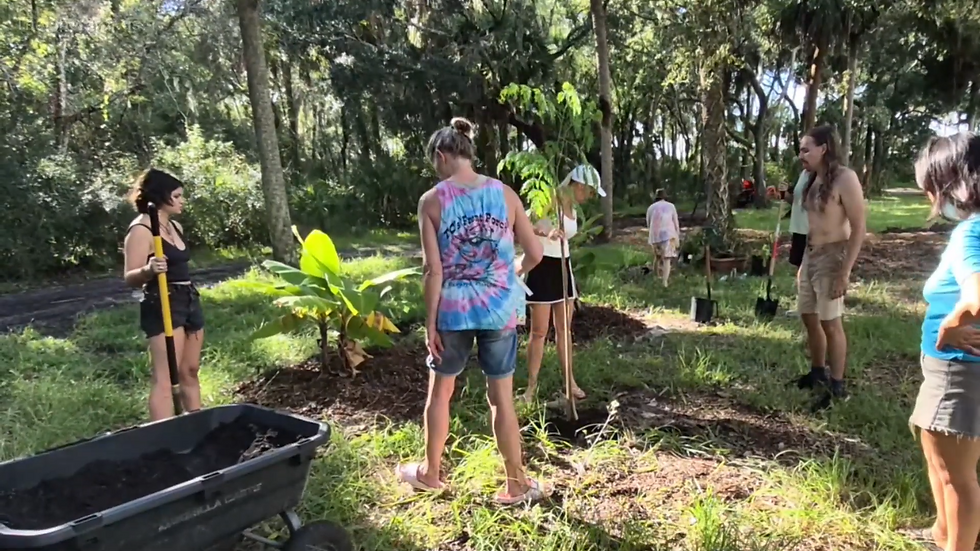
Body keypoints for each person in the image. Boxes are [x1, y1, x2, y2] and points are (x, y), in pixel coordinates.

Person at [397, 117, 548, 505]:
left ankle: (431, 473)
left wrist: (429, 322)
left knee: (441, 394)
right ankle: (516, 484)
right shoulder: (506, 194)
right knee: (502, 399)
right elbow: (535, 253)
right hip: (500, 311)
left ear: (442, 156)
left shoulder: (431, 201)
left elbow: (434, 270)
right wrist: (513, 272)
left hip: (454, 312)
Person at [907, 132, 980, 551]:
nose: (933, 202)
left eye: (932, 190)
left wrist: (951, 328)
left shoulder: (970, 234)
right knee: (944, 461)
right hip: (961, 372)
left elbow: (976, 298)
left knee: (955, 475)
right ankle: (942, 533)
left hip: (957, 370)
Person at [789, 125, 866, 408]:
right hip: (811, 254)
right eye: (800, 149)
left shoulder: (846, 178)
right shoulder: (810, 179)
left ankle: (838, 386)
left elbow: (858, 227)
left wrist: (844, 271)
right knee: (809, 315)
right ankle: (817, 372)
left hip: (833, 255)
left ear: (824, 149)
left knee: (830, 321)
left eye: (806, 149)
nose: (801, 155)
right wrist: (802, 263)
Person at [122, 168, 205, 421]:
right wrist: (148, 269)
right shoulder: (141, 230)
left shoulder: (174, 226)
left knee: (189, 370)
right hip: (162, 301)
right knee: (166, 377)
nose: (182, 201)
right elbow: (130, 277)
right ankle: (163, 437)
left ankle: (197, 426)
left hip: (188, 297)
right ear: (161, 197)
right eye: (177, 196)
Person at [520, 164, 604, 404]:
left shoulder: (573, 207)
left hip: (563, 267)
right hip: (543, 267)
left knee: (564, 330)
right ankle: (531, 388)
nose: (589, 197)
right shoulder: (548, 199)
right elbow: (525, 224)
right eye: (588, 191)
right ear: (578, 185)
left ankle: (570, 382)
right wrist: (545, 232)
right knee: (538, 332)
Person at [646, 188, 680, 287]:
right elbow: (675, 222)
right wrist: (677, 235)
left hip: (655, 235)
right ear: (665, 197)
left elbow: (648, 222)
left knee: (657, 257)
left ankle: (656, 275)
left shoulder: (651, 208)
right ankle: (665, 281)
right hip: (668, 234)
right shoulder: (671, 206)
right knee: (667, 259)